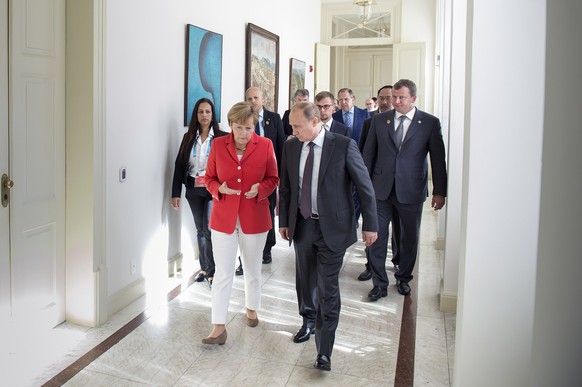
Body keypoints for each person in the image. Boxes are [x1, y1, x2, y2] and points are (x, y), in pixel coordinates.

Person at [279, 102, 378, 371]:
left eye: (297, 126)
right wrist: (284, 221)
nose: (293, 130)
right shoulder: (291, 146)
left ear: (315, 122)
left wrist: (371, 224)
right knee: (305, 279)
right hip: (301, 225)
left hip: (332, 228)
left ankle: (324, 349)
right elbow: (286, 187)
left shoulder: (343, 145)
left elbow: (364, 186)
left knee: (328, 288)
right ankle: (307, 320)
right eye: (291, 126)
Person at [201, 101, 279, 345]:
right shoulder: (217, 145)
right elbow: (209, 178)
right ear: (230, 125)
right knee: (223, 272)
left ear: (254, 125)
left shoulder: (265, 145)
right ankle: (218, 327)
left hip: (254, 216)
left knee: (253, 270)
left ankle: (251, 307)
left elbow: (273, 177)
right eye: (238, 127)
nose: (244, 133)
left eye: (248, 127)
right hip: (223, 217)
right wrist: (218, 189)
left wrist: (261, 189)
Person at [362, 79, 447, 299]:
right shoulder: (380, 121)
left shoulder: (429, 123)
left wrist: (440, 190)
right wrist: (364, 187)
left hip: (411, 190)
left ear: (413, 99)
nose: (396, 101)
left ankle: (404, 277)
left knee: (409, 238)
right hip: (380, 190)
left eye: (401, 98)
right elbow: (368, 155)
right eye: (394, 97)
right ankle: (379, 283)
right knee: (375, 237)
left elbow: (438, 159)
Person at [171, 98, 228, 286]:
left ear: (213, 115)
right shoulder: (188, 137)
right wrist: (175, 193)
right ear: (196, 115)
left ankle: (212, 270)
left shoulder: (221, 137)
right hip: (193, 188)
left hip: (213, 189)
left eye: (208, 112)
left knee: (209, 227)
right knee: (200, 229)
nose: (204, 115)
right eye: (201, 112)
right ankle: (205, 268)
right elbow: (179, 165)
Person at [235, 87, 284, 274]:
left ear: (263, 99)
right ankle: (244, 258)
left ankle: (267, 248)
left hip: (268, 175)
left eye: (256, 97)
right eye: (249, 98)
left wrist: (279, 175)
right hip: (247, 175)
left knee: (267, 211)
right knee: (245, 215)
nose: (253, 101)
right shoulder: (242, 122)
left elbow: (280, 148)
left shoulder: (275, 118)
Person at [357, 85, 400, 282]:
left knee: (399, 231)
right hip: (377, 186)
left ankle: (398, 265)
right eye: (381, 98)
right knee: (374, 229)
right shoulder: (370, 122)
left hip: (402, 188)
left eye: (388, 98)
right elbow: (365, 154)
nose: (384, 102)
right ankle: (372, 268)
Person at [332, 88, 371, 226]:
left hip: (360, 159)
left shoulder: (365, 115)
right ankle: (348, 219)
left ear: (353, 100)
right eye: (340, 100)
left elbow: (369, 139)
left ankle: (355, 219)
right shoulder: (334, 117)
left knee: (359, 190)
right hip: (340, 161)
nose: (343, 102)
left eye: (346, 99)